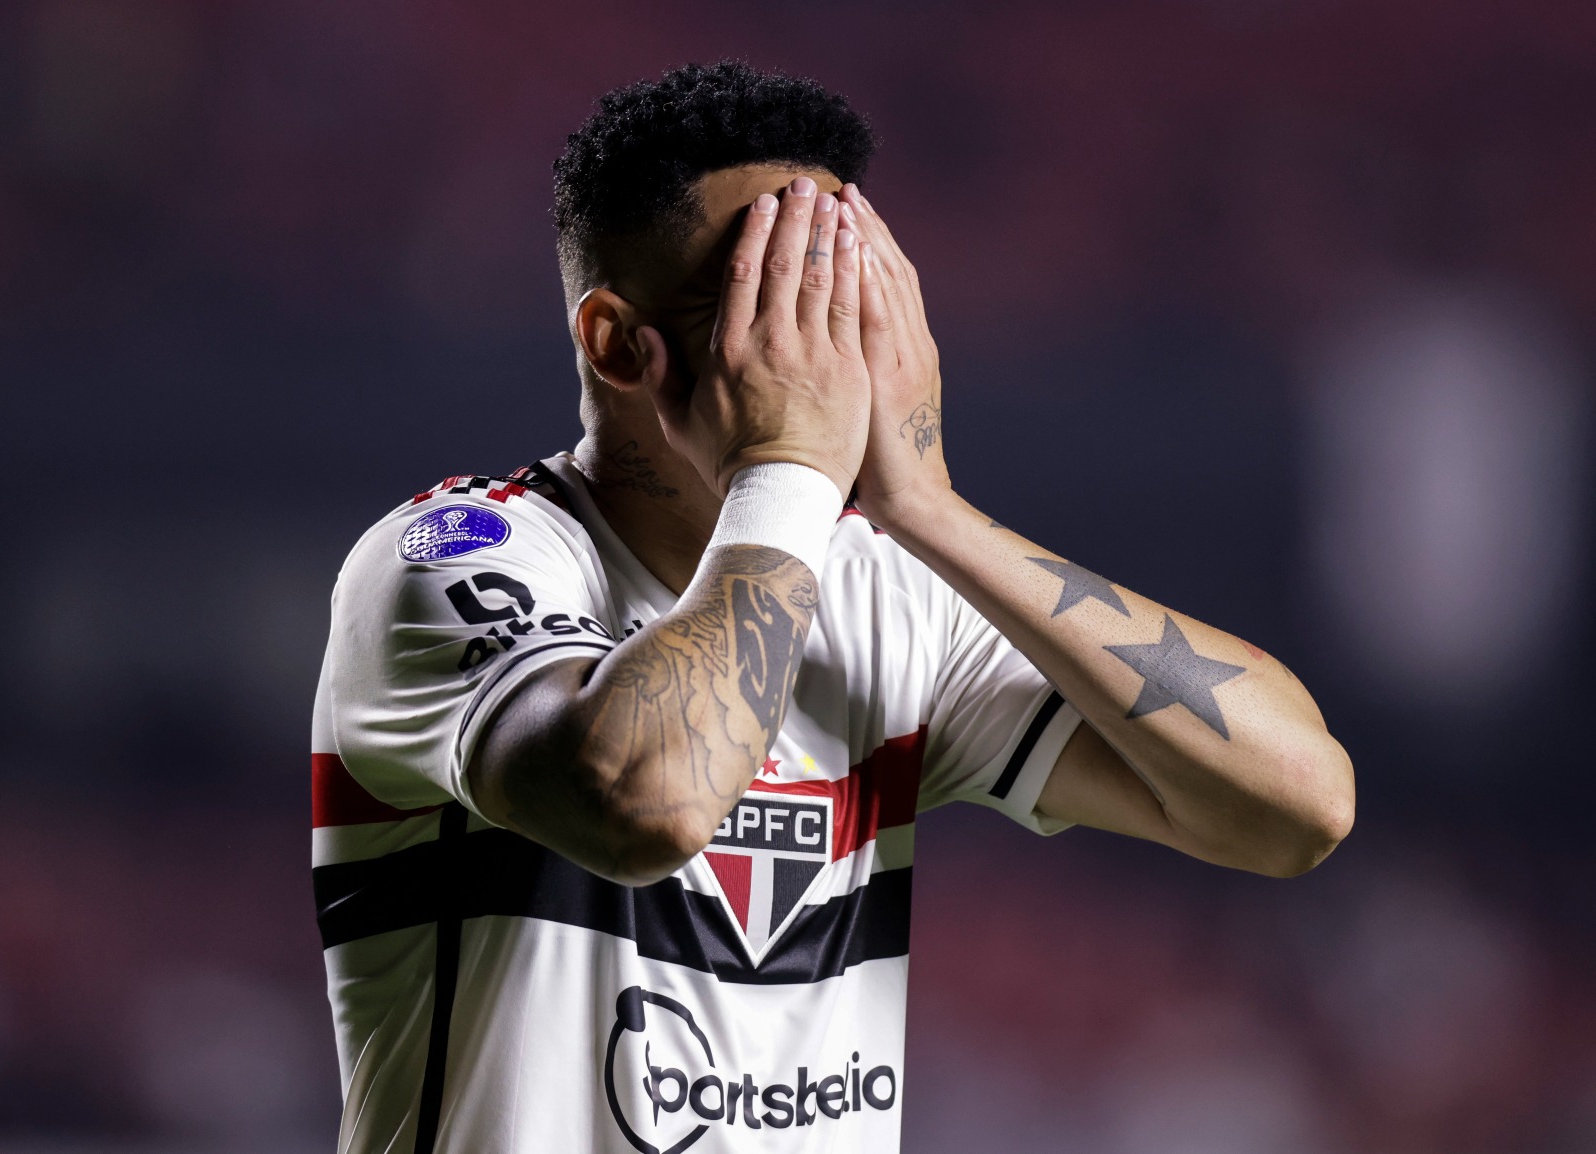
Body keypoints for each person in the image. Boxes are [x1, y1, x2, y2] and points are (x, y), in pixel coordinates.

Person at [311, 61, 1354, 1154]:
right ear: (617, 343)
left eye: (842, 304)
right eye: (769, 307)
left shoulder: (888, 586)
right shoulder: (451, 554)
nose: (824, 362)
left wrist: (935, 513)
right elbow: (645, 801)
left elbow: (1295, 808)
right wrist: (792, 472)